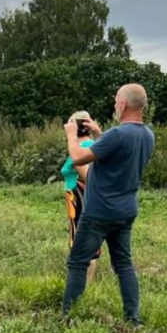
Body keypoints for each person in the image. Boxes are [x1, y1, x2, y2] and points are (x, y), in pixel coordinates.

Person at [61, 84, 155, 326]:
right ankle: (133, 319)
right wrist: (100, 133)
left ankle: (68, 317)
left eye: (116, 102)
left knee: (78, 262)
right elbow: (118, 150)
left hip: (99, 211)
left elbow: (79, 157)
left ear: (122, 105)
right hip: (126, 211)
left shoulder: (118, 134)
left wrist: (72, 134)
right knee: (123, 264)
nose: (115, 105)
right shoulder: (146, 135)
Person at [60, 111, 101, 285]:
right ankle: (83, 281)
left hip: (80, 199)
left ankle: (83, 284)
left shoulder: (82, 148)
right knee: (83, 239)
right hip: (76, 199)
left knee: (83, 241)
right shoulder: (94, 145)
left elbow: (88, 177)